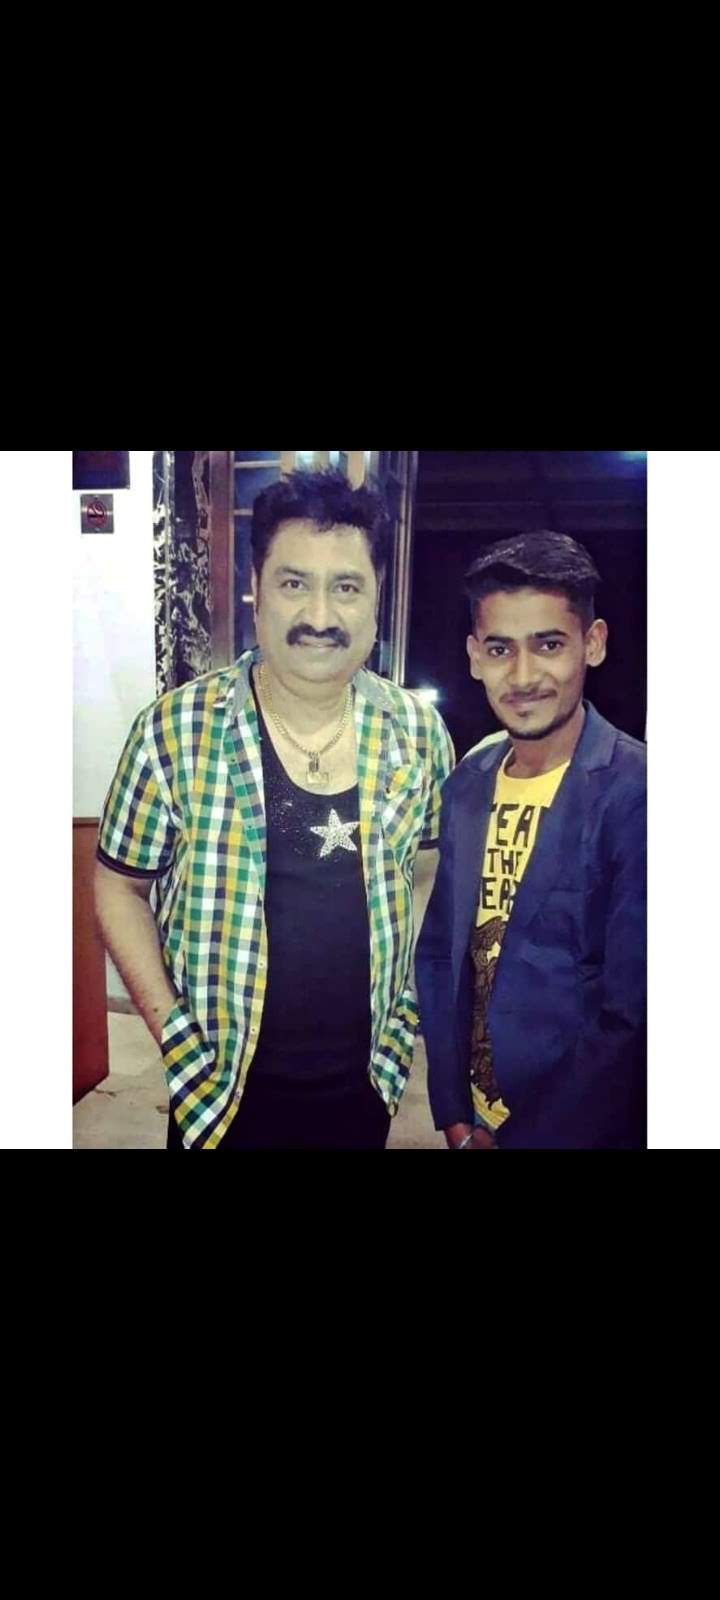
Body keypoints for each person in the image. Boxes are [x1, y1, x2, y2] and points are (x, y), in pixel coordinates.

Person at [95, 469, 454, 1150]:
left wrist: (402, 1014)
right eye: (294, 583)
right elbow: (119, 886)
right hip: (216, 1096)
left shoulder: (419, 734)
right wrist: (173, 1033)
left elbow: (426, 872)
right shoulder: (174, 731)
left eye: (346, 587)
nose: (320, 615)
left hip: (364, 1092)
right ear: (257, 590)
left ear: (376, 599)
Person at [415, 530, 646, 1151]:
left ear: (592, 643)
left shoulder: (637, 794)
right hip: (473, 1122)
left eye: (548, 645)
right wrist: (452, 1111)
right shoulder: (468, 783)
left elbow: (630, 1017)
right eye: (500, 648)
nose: (522, 676)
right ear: (474, 656)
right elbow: (440, 955)